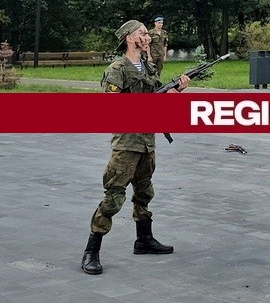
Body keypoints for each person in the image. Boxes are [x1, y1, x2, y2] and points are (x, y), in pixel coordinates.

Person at [80, 20, 190, 275]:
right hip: (127, 144)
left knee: (144, 192)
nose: (147, 36)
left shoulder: (149, 66)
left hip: (147, 141)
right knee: (114, 198)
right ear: (130, 38)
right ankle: (91, 251)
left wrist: (177, 90)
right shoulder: (117, 69)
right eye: (142, 33)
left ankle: (144, 240)